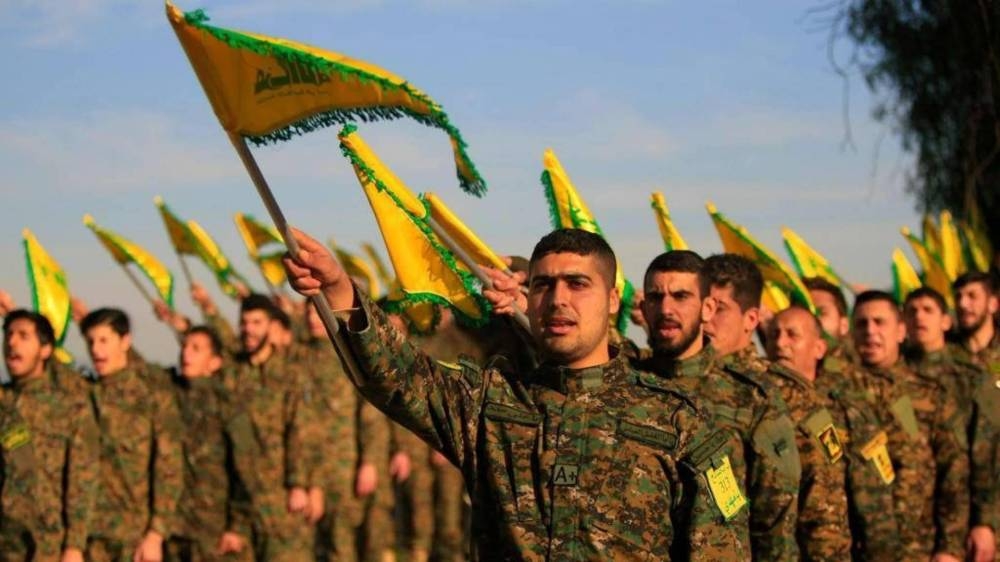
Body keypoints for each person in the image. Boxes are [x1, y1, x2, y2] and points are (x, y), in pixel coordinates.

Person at [283, 227, 728, 560]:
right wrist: (338, 288)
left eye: (577, 284)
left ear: (612, 300)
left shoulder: (679, 423)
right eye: (543, 285)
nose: (558, 299)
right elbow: (397, 376)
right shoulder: (490, 404)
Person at [853, 290, 967, 561]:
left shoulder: (930, 396)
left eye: (880, 322)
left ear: (901, 330)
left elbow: (954, 472)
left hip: (917, 549)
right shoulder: (831, 395)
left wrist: (950, 547)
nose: (870, 331)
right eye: (862, 324)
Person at [79, 307, 184, 562]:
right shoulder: (83, 394)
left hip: (133, 538)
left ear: (125, 342)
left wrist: (155, 534)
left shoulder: (151, 395)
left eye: (104, 340)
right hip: (87, 536)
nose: (96, 350)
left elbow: (169, 468)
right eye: (91, 342)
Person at [222, 294, 317, 561]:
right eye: (244, 323)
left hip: (280, 497)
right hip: (241, 500)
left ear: (271, 326)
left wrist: (298, 484)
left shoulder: (289, 373)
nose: (249, 329)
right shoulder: (233, 374)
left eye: (256, 322)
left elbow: (299, 430)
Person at [902, 287, 993, 561]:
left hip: (966, 517)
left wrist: (985, 522)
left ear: (945, 321)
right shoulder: (894, 376)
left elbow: (988, 454)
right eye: (912, 311)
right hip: (913, 524)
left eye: (927, 310)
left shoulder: (972, 378)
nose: (919, 317)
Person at [1, 310, 99, 562]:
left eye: (23, 336)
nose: (11, 342)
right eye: (8, 335)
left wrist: (74, 546)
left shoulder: (70, 406)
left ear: (45, 350)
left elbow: (82, 480)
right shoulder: (4, 401)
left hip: (46, 545)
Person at [764, 306, 852, 560]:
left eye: (792, 335)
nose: (780, 343)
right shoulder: (756, 400)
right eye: (774, 335)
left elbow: (825, 499)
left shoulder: (816, 412)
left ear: (819, 348)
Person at [166, 326, 256, 562]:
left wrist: (238, 526)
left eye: (196, 349)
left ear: (215, 362)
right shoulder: (169, 396)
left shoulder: (226, 404)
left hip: (215, 529)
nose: (186, 353)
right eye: (185, 346)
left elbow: (245, 468)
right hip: (175, 528)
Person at [803, 277, 859, 364]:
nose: (813, 319)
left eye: (821, 313)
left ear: (844, 325)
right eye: (806, 313)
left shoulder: (861, 370)